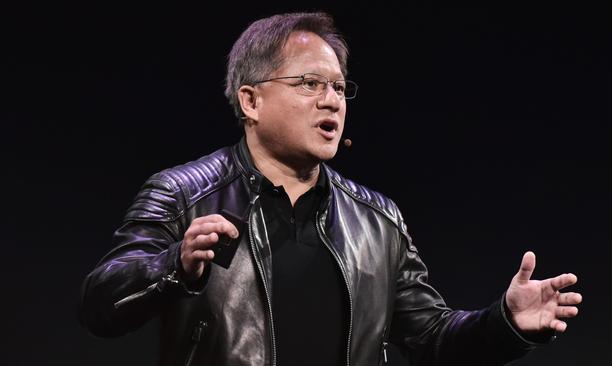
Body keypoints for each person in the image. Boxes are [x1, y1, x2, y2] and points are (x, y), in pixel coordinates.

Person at [78, 12, 582, 366]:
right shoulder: (183, 193)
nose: (332, 102)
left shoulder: (377, 219)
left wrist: (506, 323)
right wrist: (174, 266)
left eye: (340, 88)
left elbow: (431, 340)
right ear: (250, 101)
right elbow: (100, 306)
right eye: (309, 84)